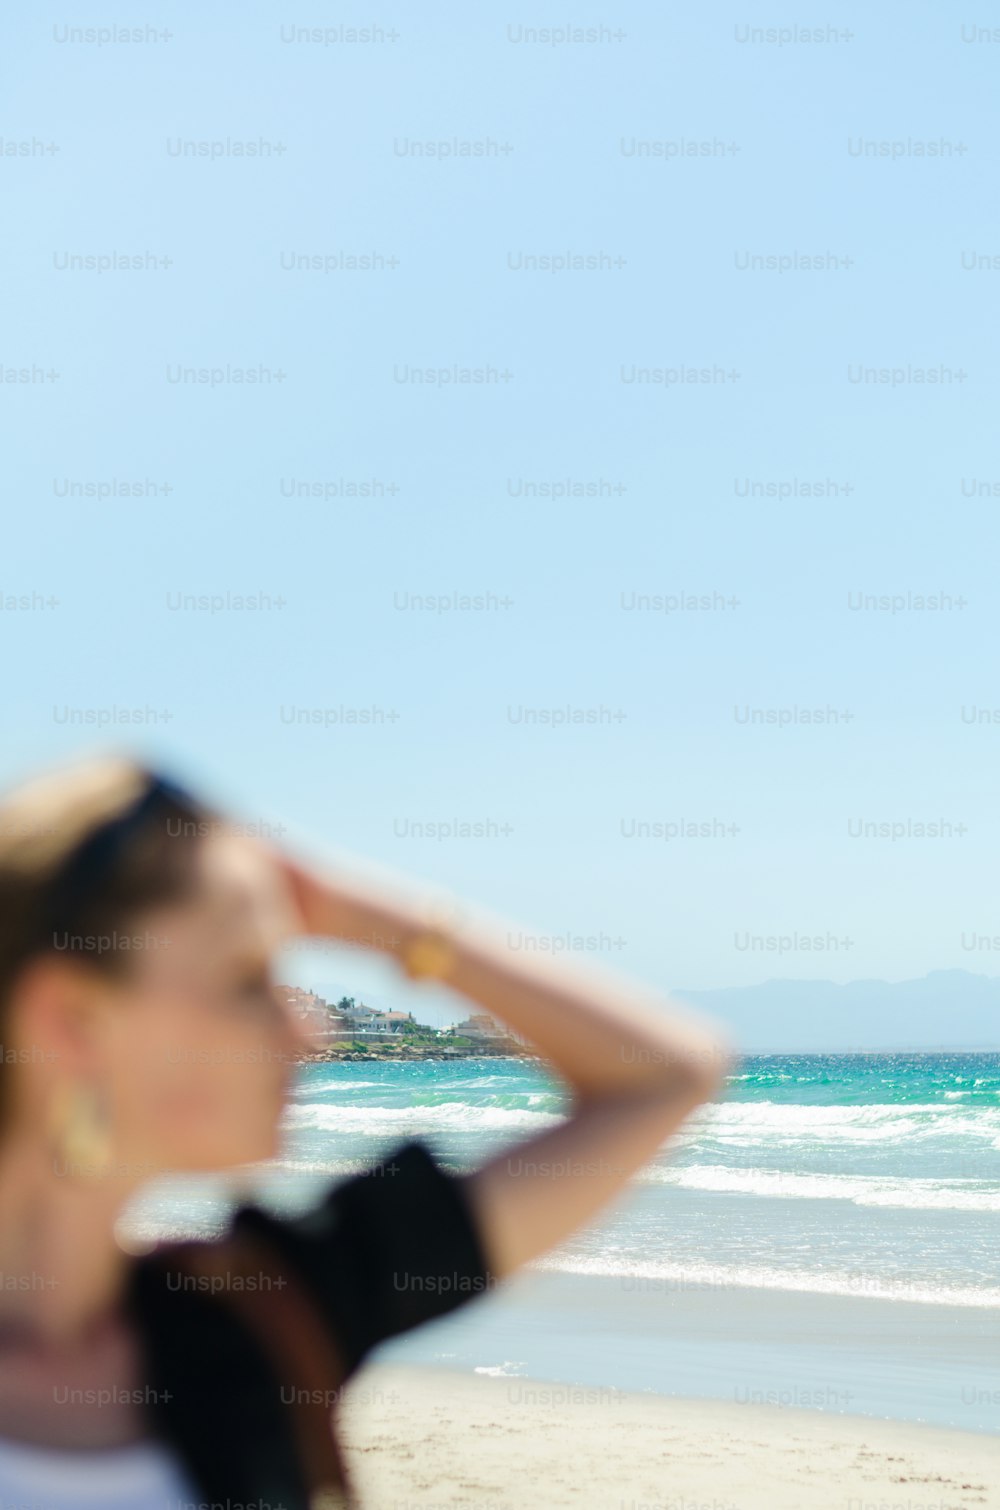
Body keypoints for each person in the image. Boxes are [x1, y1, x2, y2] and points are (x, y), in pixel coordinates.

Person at [0, 753, 730, 1509]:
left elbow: (666, 1075)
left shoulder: (259, 1320)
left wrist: (355, 916)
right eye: (249, 980)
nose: (309, 1032)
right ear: (71, 1020)